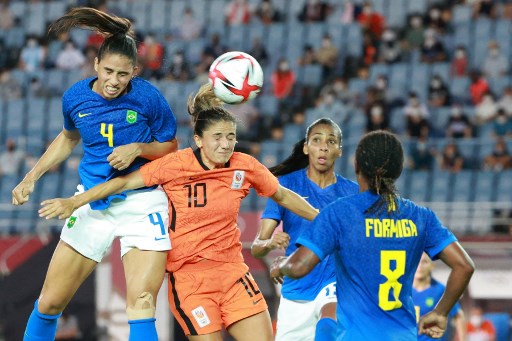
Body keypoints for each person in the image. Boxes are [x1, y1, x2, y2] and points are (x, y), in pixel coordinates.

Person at [37, 83, 320, 340]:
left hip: (233, 273)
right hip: (190, 279)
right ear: (198, 139)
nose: (225, 144)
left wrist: (322, 220)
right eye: (217, 137)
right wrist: (76, 202)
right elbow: (121, 183)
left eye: (231, 137)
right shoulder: (174, 165)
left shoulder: (244, 166)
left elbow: (282, 194)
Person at [11, 8, 178, 341]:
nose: (114, 81)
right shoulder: (75, 97)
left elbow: (171, 146)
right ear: (96, 65)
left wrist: (138, 149)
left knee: (142, 302)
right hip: (91, 201)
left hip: (142, 203)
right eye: (109, 71)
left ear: (135, 71)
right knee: (49, 301)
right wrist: (32, 177)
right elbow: (69, 136)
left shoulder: (148, 97)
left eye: (123, 74)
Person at [269, 130, 475, 340]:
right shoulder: (421, 217)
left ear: (357, 165)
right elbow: (464, 266)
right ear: (399, 169)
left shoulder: (339, 213)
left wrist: (282, 264)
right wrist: (440, 313)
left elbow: (298, 267)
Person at [251, 118, 359, 341]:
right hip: (297, 289)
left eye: (331, 141)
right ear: (306, 146)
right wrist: (270, 245)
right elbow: (256, 248)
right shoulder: (286, 187)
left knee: (329, 327)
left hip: (335, 283)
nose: (323, 147)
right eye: (317, 140)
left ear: (339, 150)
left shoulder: (353, 193)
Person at [413, 253, 467, 341]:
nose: (420, 266)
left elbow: (458, 316)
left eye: (424, 262)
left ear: (432, 265)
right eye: (416, 262)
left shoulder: (441, 290)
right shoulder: (402, 290)